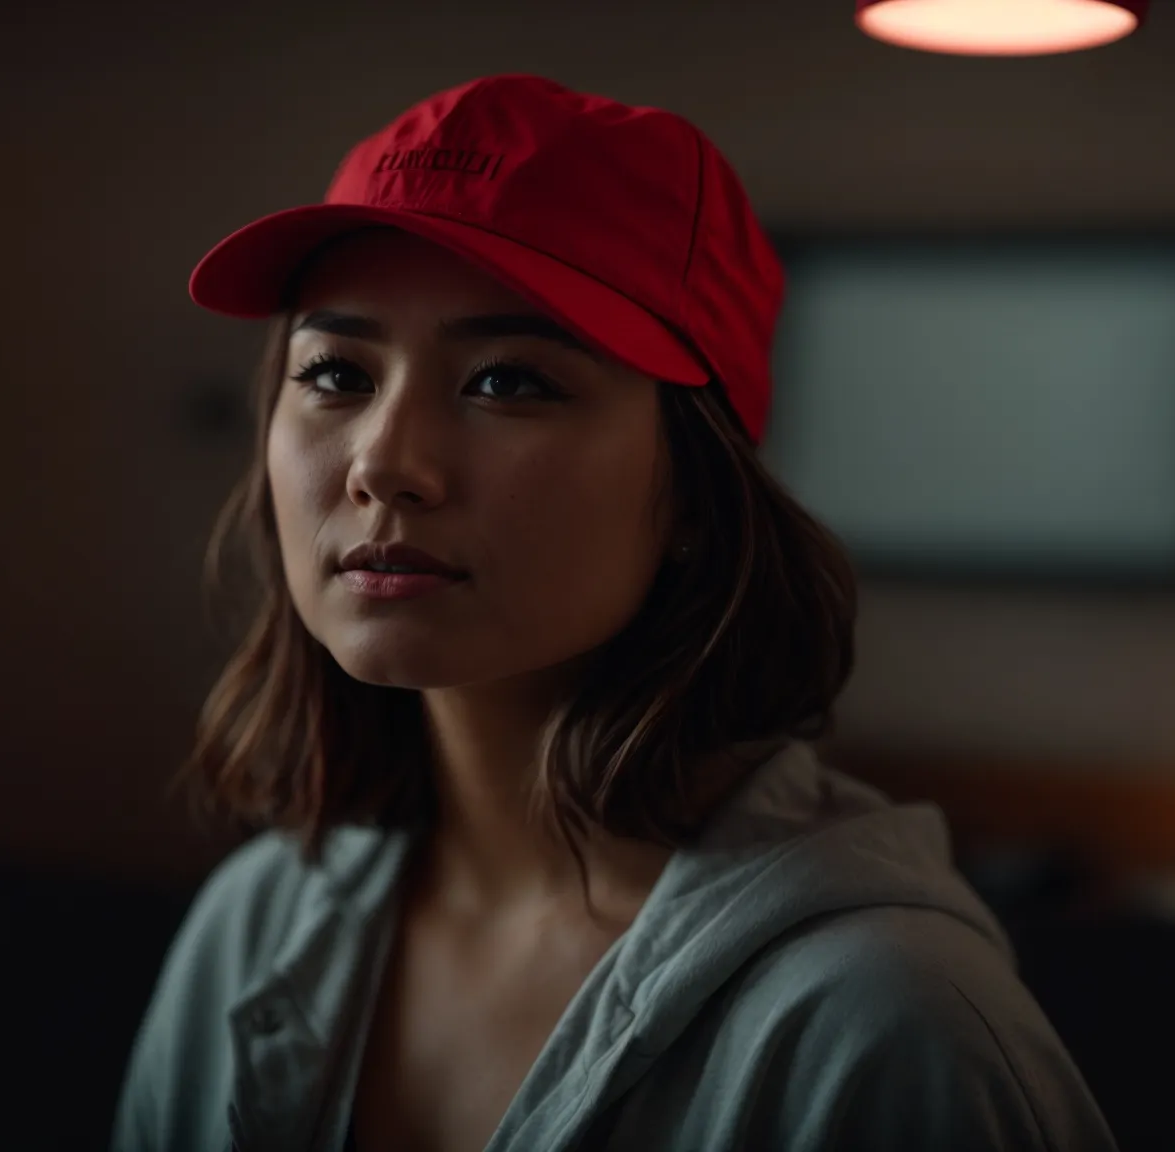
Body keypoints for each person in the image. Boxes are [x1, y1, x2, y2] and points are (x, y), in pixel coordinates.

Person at [113, 73, 1115, 1152]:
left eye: (506, 382)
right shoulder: (256, 928)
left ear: (693, 486)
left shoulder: (881, 1025)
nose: (386, 464)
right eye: (336, 372)